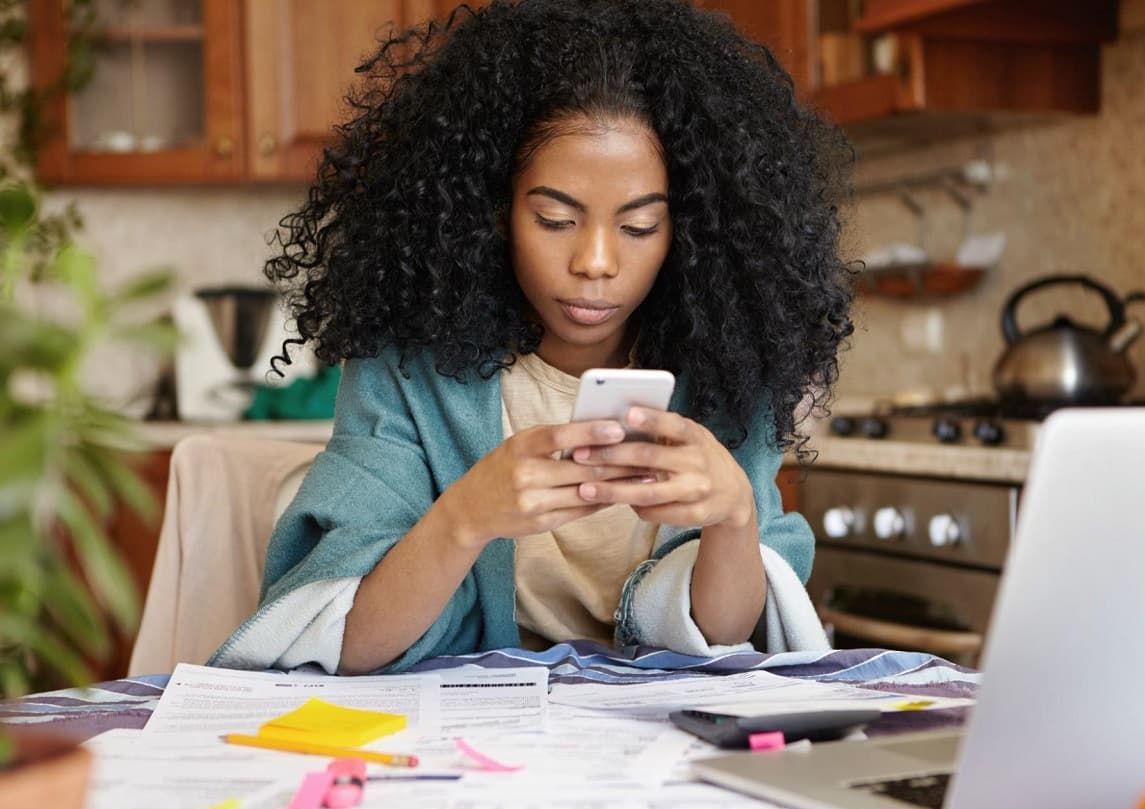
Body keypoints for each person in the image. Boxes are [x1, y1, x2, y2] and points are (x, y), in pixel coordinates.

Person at [210, 0, 856, 675]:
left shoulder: (726, 365)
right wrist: (466, 517)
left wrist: (733, 519)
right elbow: (348, 647)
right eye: (554, 219)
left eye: (639, 227)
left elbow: (724, 641)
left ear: (688, 231)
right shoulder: (405, 370)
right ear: (493, 211)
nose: (596, 262)